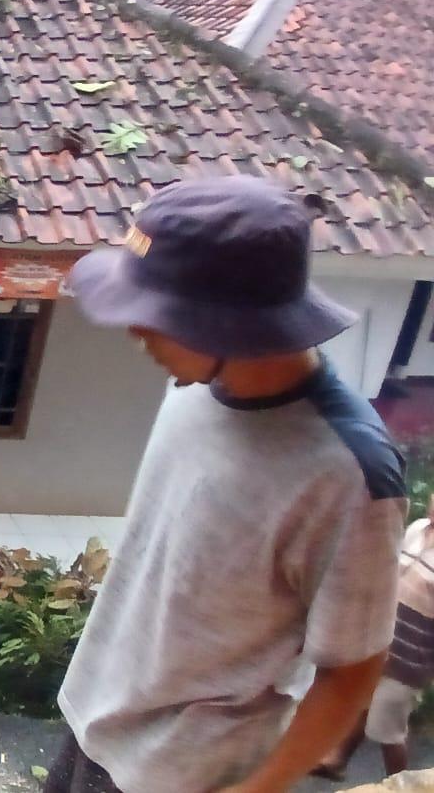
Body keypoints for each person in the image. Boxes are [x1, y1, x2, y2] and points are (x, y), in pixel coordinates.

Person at [45, 177, 407, 793]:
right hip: (95, 719)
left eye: (151, 319)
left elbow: (352, 669)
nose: (135, 334)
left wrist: (259, 788)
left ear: (226, 328)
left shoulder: (346, 475)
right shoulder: (192, 387)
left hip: (187, 770)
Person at [315, 510, 434, 779]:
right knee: (365, 699)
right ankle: (338, 760)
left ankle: (402, 783)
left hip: (411, 657)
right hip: (381, 636)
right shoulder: (418, 528)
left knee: (387, 729)